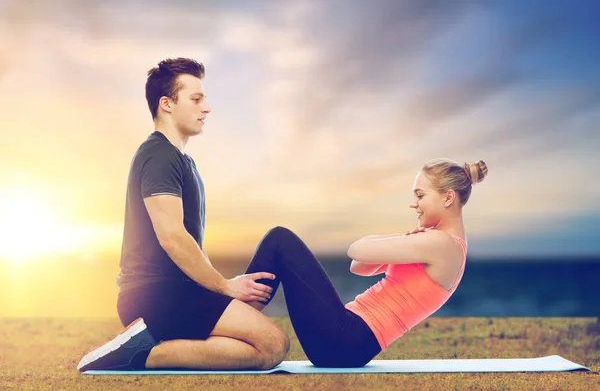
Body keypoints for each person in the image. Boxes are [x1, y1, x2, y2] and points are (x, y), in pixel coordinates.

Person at [77, 58, 290, 372]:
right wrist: (224, 286)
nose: (207, 108)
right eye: (196, 98)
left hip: (177, 291)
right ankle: (138, 354)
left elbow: (187, 243)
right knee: (272, 345)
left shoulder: (182, 161)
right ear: (167, 104)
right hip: (154, 295)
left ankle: (149, 345)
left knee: (263, 325)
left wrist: (223, 285)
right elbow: (172, 237)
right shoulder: (158, 154)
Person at [230, 158, 488, 367]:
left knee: (280, 240)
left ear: (448, 198)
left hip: (345, 338)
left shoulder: (441, 244)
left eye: (420, 195)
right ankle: (235, 322)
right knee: (280, 241)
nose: (414, 204)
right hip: (347, 340)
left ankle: (232, 322)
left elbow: (356, 249)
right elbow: (360, 266)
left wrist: (401, 239)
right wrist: (403, 240)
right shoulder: (439, 244)